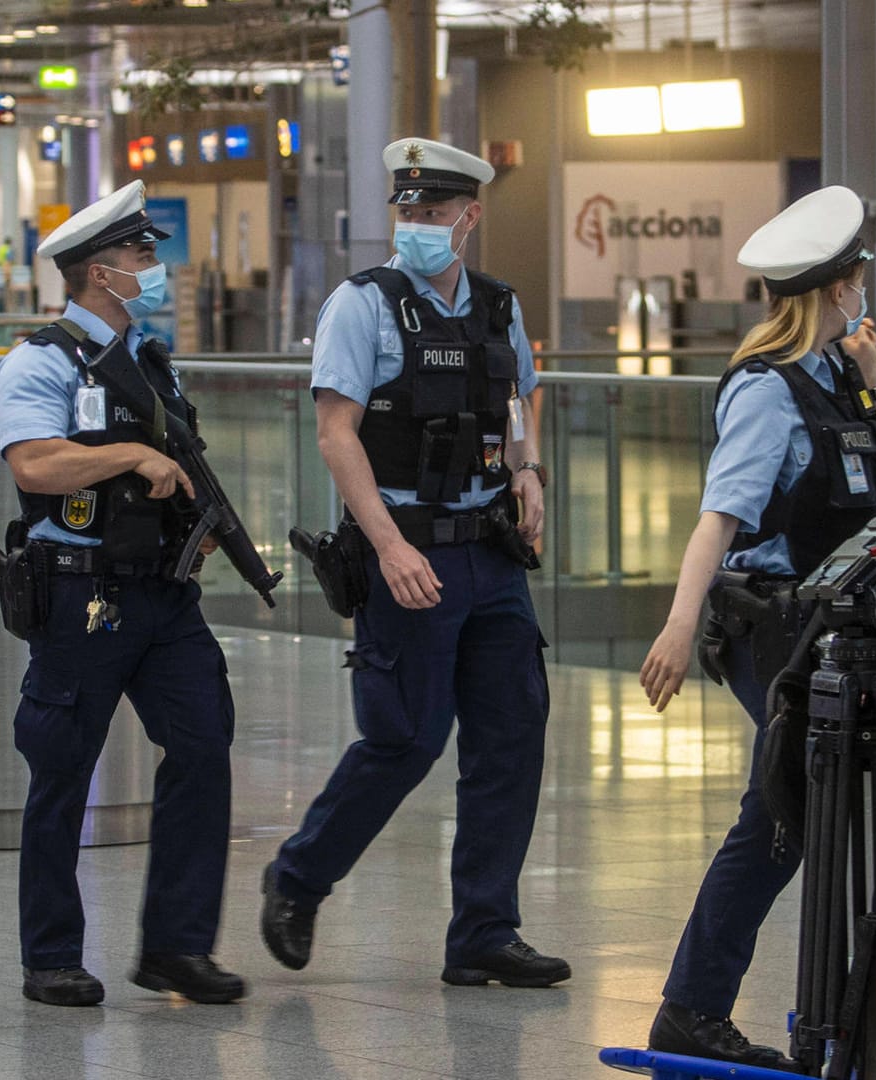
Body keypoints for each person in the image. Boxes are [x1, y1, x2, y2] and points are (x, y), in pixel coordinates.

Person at [260, 138, 569, 989]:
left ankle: (484, 933)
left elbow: (516, 400)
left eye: (434, 213)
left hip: (491, 556)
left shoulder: (499, 307)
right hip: (408, 556)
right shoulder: (362, 307)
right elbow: (336, 434)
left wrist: (528, 468)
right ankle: (298, 876)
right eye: (408, 211)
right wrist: (389, 545)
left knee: (511, 740)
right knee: (405, 740)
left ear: (469, 216)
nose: (418, 227)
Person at [637, 185, 876, 1068]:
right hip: (775, 630)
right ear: (832, 290)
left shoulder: (839, 378)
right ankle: (694, 1006)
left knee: (801, 808)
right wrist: (677, 628)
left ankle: (865, 995)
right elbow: (718, 518)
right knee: (787, 810)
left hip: (843, 622)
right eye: (858, 275)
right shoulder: (767, 391)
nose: (865, 286)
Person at [0, 180, 245, 1008]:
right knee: (61, 770)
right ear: (101, 272)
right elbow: (33, 463)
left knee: (204, 747)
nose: (154, 266)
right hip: (82, 596)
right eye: (142, 256)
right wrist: (130, 458)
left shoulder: (149, 361)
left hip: (164, 597)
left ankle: (176, 947)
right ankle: (52, 955)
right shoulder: (40, 359)